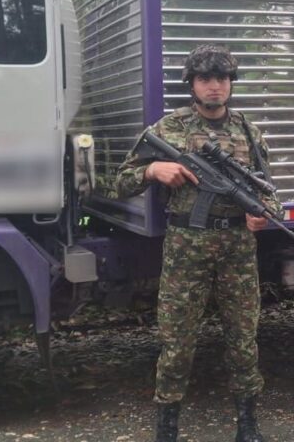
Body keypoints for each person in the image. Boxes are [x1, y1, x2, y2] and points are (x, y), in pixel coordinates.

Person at [106, 44, 281, 442]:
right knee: (177, 342)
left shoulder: (249, 132)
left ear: (231, 83)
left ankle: (248, 425)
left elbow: (269, 191)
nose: (214, 86)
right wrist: (153, 169)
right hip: (187, 247)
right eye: (205, 78)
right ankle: (167, 428)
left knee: (243, 340)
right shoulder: (168, 128)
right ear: (192, 84)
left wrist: (265, 214)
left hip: (237, 248)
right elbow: (118, 182)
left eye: (222, 78)